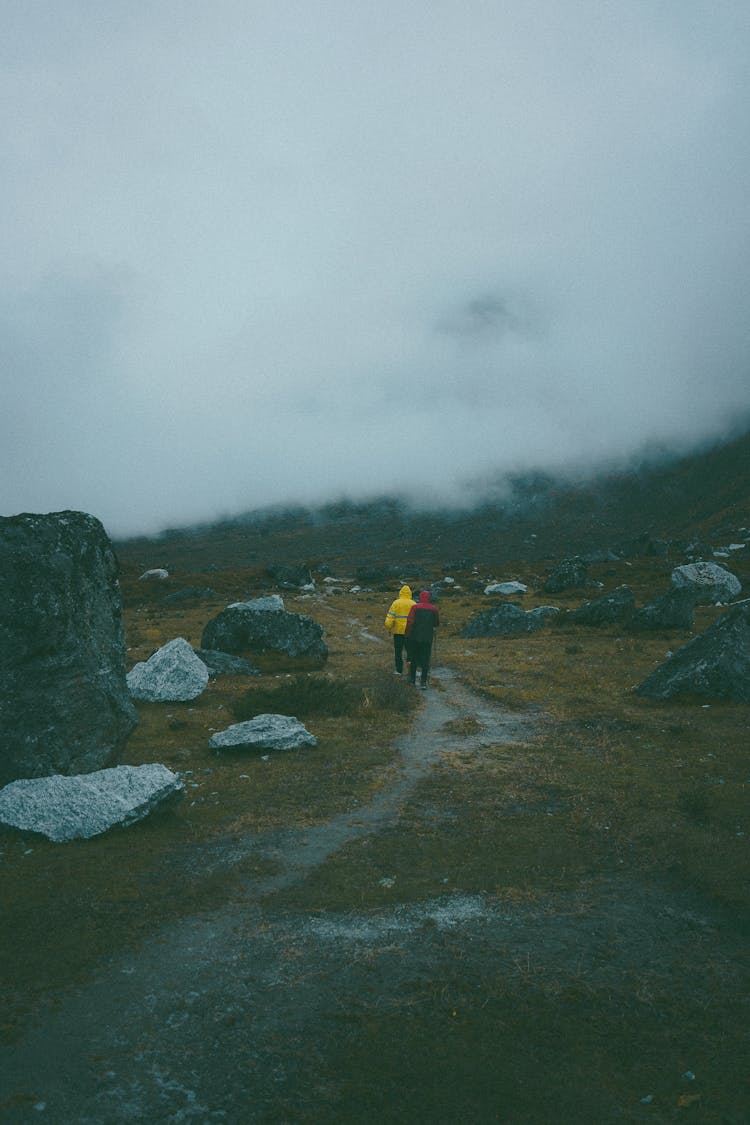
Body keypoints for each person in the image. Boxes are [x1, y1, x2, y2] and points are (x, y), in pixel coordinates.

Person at [405, 589, 440, 688]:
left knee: (413, 658)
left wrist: (407, 634)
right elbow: (436, 623)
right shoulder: (434, 609)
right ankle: (423, 682)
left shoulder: (415, 607)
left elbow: (410, 621)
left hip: (414, 638)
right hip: (427, 638)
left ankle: (412, 680)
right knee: (425, 659)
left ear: (420, 597)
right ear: (429, 598)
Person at [384, 584, 416, 674]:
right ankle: (410, 669)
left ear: (400, 593)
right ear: (410, 593)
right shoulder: (413, 604)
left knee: (398, 652)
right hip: (410, 632)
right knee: (410, 651)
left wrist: (389, 627)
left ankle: (399, 670)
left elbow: (390, 617)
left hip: (398, 632)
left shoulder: (396, 603)